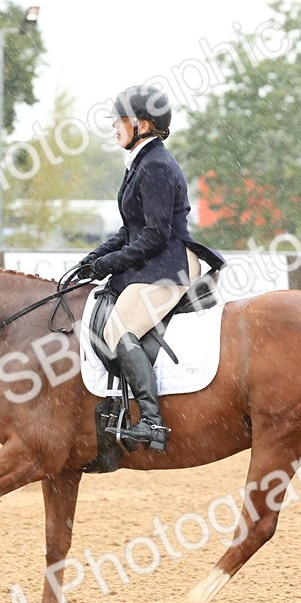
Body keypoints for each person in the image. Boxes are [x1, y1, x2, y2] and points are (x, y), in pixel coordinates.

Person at [66, 85, 225, 453]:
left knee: (120, 329)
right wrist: (93, 259)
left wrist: (107, 264)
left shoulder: (156, 167)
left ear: (143, 125)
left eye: (120, 120)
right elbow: (129, 230)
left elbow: (155, 235)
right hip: (154, 262)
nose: (114, 127)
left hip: (170, 266)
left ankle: (152, 421)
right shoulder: (141, 162)